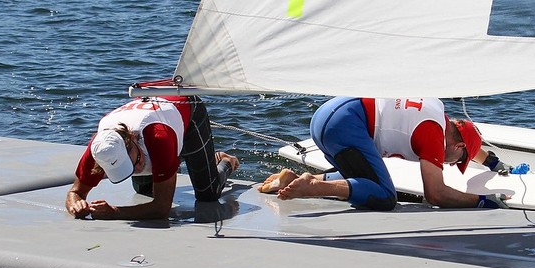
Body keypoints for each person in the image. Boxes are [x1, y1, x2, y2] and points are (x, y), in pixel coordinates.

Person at [259, 97, 511, 210]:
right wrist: (483, 201)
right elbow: (436, 194)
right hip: (346, 123)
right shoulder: (433, 134)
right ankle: (313, 186)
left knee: (361, 179)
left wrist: (493, 164)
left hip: (328, 115)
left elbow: (469, 146)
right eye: (458, 162)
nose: (452, 164)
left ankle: (292, 179)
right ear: (457, 147)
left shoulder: (439, 115)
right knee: (384, 196)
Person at [65, 95, 239, 220]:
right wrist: (76, 204)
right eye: (127, 168)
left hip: (186, 108)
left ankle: (225, 161)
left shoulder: (157, 137)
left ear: (131, 139)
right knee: (144, 191)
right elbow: (75, 192)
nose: (137, 169)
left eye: (135, 162)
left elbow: (161, 208)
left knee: (207, 194)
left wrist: (115, 212)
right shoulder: (100, 148)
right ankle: (191, 158)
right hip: (159, 124)